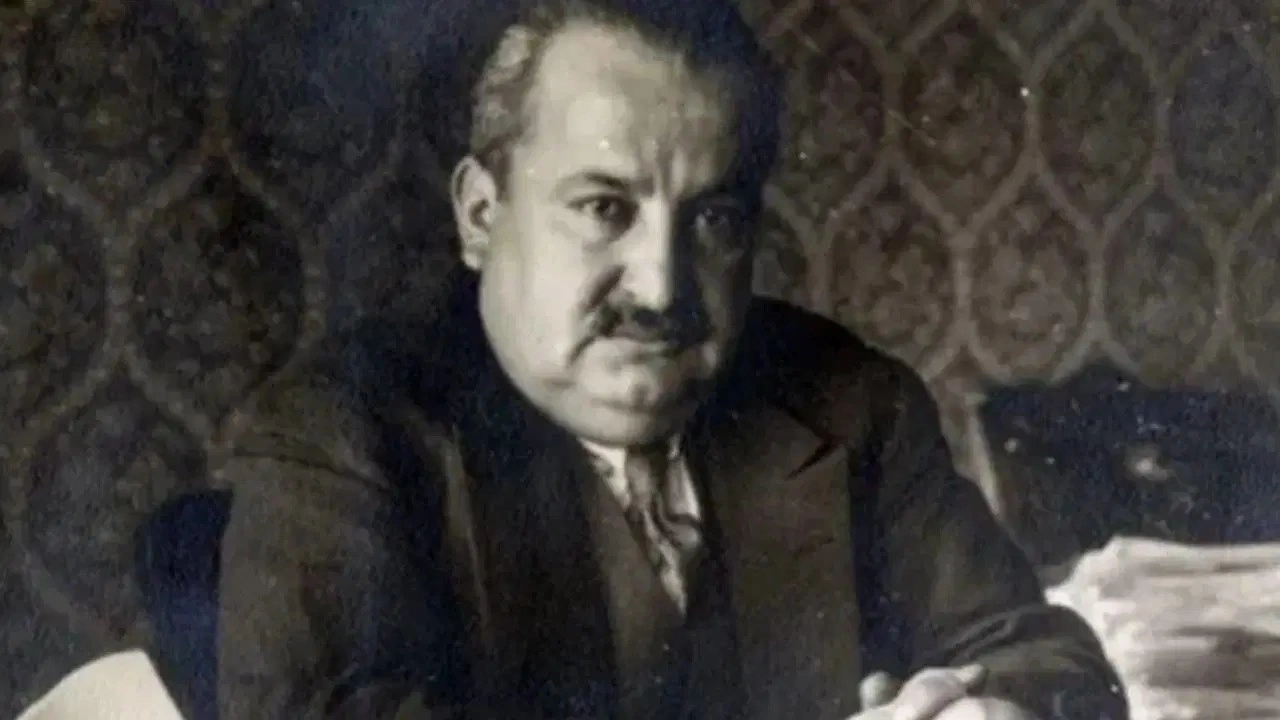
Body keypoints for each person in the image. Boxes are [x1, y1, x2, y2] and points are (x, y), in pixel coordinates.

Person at [210, 0, 1129, 718]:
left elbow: (1046, 658)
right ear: (482, 214)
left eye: (715, 218)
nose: (660, 286)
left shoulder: (849, 400)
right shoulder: (344, 432)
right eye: (604, 208)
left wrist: (991, 711)